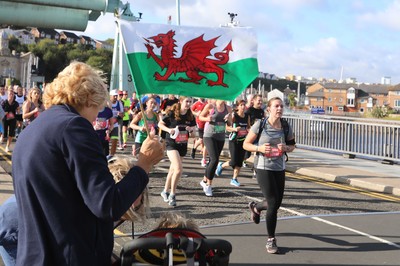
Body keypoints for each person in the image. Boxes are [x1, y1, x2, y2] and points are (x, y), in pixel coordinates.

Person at [12, 61, 164, 266]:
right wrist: (144, 164)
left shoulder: (34, 129)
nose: (95, 119)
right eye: (98, 109)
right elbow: (107, 204)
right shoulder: (73, 127)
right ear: (90, 98)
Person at [243, 96, 296, 254]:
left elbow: (293, 145)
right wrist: (259, 149)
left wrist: (285, 148)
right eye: (276, 106)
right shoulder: (261, 124)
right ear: (269, 109)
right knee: (273, 203)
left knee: (277, 203)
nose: (279, 109)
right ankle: (271, 240)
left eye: (281, 106)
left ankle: (256, 207)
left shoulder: (285, 126)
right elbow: (246, 144)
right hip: (263, 167)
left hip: (279, 167)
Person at [158, 96, 196, 206]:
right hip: (171, 144)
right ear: (180, 102)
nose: (188, 104)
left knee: (172, 170)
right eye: (186, 101)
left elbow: (194, 135)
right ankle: (172, 194)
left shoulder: (190, 116)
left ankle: (165, 191)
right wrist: (169, 130)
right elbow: (160, 124)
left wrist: (191, 130)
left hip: (183, 145)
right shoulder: (172, 113)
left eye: (190, 102)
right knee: (178, 169)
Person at [199, 99, 232, 197]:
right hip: (209, 135)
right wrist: (207, 119)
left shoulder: (228, 108)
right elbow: (200, 117)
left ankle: (204, 180)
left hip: (220, 137)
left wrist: (228, 119)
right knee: (215, 159)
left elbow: (230, 124)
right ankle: (208, 184)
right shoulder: (210, 106)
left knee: (212, 161)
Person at [215, 99, 250, 187]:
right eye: (241, 105)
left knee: (240, 162)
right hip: (234, 140)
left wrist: (249, 130)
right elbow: (227, 128)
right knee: (234, 161)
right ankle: (221, 165)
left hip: (243, 141)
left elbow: (249, 127)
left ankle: (234, 179)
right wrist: (234, 129)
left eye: (244, 105)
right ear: (237, 107)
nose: (243, 107)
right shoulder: (234, 116)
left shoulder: (247, 116)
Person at [190, 98, 208, 166]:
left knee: (205, 139)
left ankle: (204, 155)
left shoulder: (207, 103)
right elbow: (191, 110)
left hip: (207, 123)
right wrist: (196, 113)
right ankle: (194, 149)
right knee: (201, 140)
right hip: (200, 122)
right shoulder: (196, 103)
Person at [1, 87, 18, 153]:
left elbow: (18, 111)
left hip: (13, 120)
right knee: (4, 133)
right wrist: (5, 113)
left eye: (12, 94)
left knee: (11, 133)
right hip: (5, 119)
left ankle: (7, 146)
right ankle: (2, 137)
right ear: (7, 95)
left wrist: (18, 110)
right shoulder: (4, 102)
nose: (11, 95)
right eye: (10, 94)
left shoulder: (15, 103)